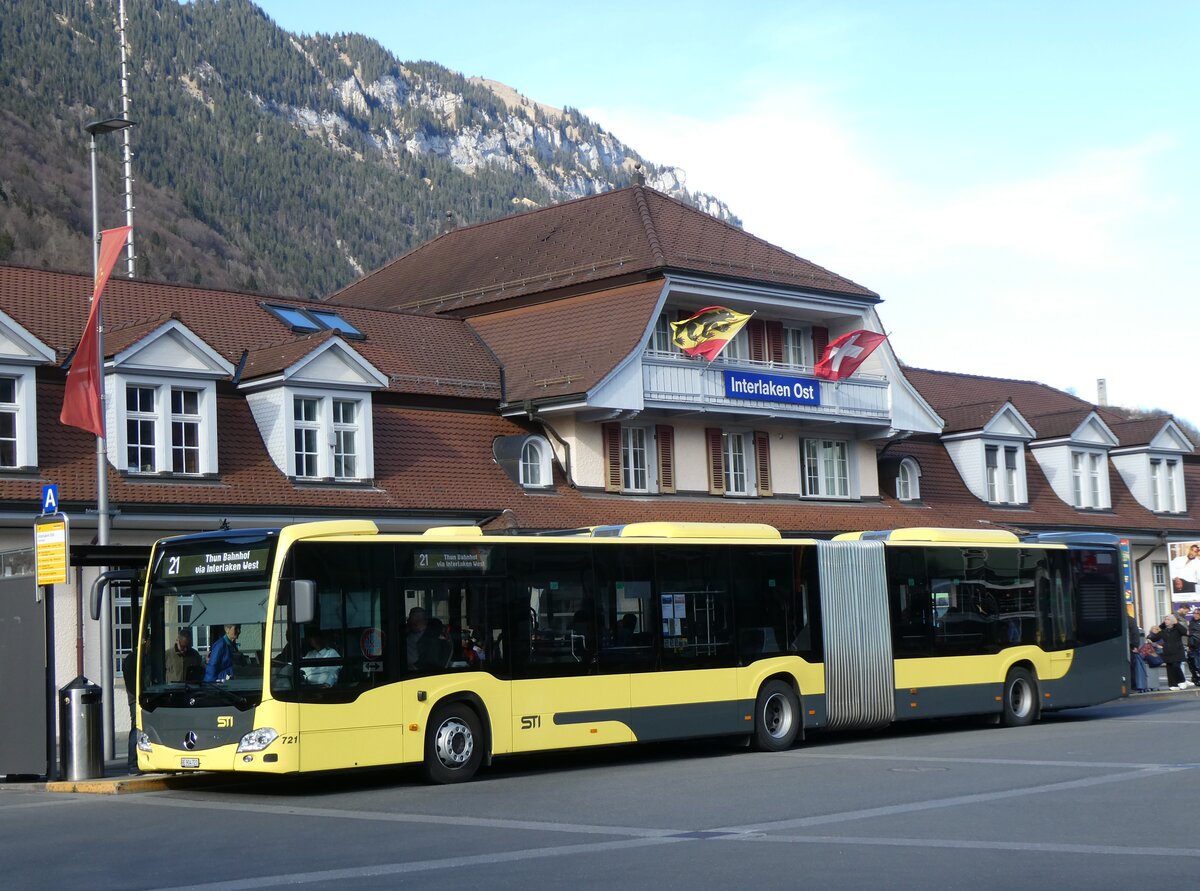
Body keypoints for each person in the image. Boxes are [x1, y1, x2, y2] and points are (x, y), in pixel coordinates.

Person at [1149, 614, 1192, 691]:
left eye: (1168, 619)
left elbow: (1185, 632)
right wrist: (1160, 627)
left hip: (1177, 651)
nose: (1166, 621)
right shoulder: (1163, 631)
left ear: (1172, 620)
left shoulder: (1177, 629)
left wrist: (1176, 623)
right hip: (1167, 652)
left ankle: (1182, 681)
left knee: (1176, 666)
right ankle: (1173, 685)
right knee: (1170, 668)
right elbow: (1152, 638)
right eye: (1165, 619)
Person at [121, 632, 144, 774]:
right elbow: (132, 682)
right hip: (137, 698)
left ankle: (135, 764)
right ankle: (133, 765)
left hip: (138, 697)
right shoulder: (134, 660)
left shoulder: (132, 658)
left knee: (137, 728)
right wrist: (139, 695)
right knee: (136, 729)